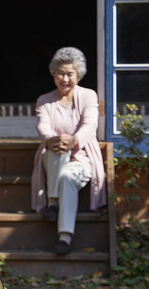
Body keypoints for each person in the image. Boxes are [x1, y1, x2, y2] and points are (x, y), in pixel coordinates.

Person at [31, 47, 106, 254]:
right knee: (56, 145)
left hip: (82, 158)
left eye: (69, 74)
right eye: (60, 73)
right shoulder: (44, 101)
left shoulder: (89, 96)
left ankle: (64, 237)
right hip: (52, 155)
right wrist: (51, 140)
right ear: (53, 74)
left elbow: (90, 125)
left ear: (78, 75)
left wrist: (73, 140)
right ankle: (53, 202)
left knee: (66, 176)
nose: (64, 78)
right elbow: (42, 127)